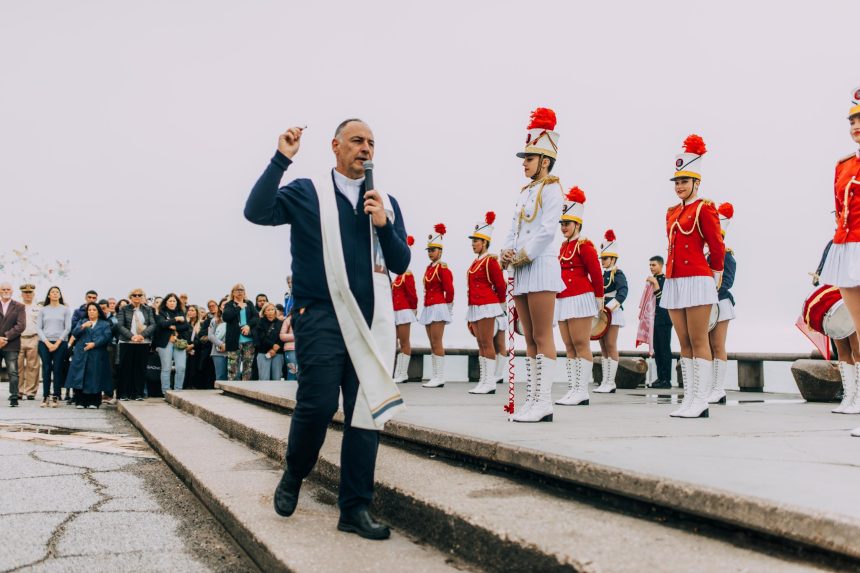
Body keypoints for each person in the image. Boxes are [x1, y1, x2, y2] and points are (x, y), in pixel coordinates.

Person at [244, 119, 410, 539]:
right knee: (317, 405)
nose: (365, 148)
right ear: (335, 146)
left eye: (371, 142)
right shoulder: (307, 192)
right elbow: (256, 211)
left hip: (370, 324)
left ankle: (354, 509)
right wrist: (281, 159)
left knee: (364, 414)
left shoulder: (385, 202)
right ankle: (294, 473)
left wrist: (383, 224)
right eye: (357, 140)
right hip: (320, 316)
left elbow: (401, 262)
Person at [501, 108, 565, 423]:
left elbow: (548, 230)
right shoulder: (525, 192)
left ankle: (544, 402)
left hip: (540, 266)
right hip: (522, 269)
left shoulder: (553, 189)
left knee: (542, 335)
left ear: (545, 161)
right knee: (528, 338)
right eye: (524, 158)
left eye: (529, 158)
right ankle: (533, 399)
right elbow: (514, 228)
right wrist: (505, 252)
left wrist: (523, 254)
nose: (524, 163)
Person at [661, 134, 725, 419]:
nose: (679, 186)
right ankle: (688, 398)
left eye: (684, 181)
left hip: (698, 279)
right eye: (676, 182)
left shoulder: (704, 207)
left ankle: (701, 400)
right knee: (684, 342)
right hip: (675, 279)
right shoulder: (672, 212)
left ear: (696, 182)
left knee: (699, 340)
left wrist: (716, 273)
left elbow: (716, 245)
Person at [817, 89, 860, 435]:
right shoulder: (843, 165)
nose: (855, 126)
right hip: (848, 248)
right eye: (852, 121)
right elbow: (839, 213)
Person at [554, 188, 604, 407]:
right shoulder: (563, 246)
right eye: (562, 224)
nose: (563, 227)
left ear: (577, 224)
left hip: (581, 297)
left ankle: (582, 391)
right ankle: (573, 388)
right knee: (568, 345)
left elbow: (596, 272)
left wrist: (599, 297)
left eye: (567, 223)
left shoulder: (585, 246)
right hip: (564, 298)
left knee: (580, 343)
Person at [465, 212, 507, 395]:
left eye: (476, 241)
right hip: (475, 306)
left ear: (484, 242)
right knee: (481, 343)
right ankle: (483, 381)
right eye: (473, 241)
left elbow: (500, 285)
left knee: (487, 343)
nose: (473, 244)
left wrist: (501, 306)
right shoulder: (475, 262)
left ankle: (490, 382)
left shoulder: (490, 261)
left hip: (488, 306)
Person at [707, 203, 737, 404]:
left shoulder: (727, 256)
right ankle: (710, 387)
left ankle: (719, 389)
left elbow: (727, 282)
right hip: (706, 305)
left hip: (721, 303)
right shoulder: (704, 255)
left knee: (717, 345)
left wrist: (710, 292)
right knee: (707, 347)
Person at [419, 224, 454, 388]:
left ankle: (440, 377)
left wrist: (448, 308)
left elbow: (450, 290)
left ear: (440, 251)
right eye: (428, 250)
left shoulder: (443, 268)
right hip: (428, 307)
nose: (430, 253)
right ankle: (435, 376)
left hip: (439, 307)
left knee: (437, 341)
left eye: (433, 250)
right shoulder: (429, 268)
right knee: (432, 343)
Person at [594, 230, 628, 394]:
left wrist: (611, 307)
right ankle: (605, 381)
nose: (603, 261)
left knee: (610, 344)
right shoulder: (602, 274)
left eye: (606, 258)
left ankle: (611, 382)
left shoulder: (617, 273)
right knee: (603, 346)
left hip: (612, 312)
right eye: (602, 258)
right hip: (601, 312)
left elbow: (623, 291)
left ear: (613, 259)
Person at [67, 302, 113, 409]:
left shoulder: (104, 324)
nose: (91, 312)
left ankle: (94, 401)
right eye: (89, 310)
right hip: (82, 353)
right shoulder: (82, 321)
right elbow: (74, 333)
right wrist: (83, 326)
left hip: (97, 353)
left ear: (98, 312)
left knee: (95, 376)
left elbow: (106, 336)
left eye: (94, 310)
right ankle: (80, 401)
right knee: (80, 376)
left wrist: (95, 344)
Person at [115, 288, 156, 401]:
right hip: (127, 342)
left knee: (140, 369)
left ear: (142, 297)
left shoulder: (148, 310)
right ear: (130, 297)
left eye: (139, 295)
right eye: (134, 295)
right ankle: (124, 394)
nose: (137, 297)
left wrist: (142, 335)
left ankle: (138, 394)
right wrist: (131, 336)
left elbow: (152, 324)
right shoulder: (123, 309)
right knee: (126, 368)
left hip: (143, 342)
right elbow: (120, 325)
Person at [36, 286, 71, 408]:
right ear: (49, 295)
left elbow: (68, 328)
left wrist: (57, 343)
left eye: (57, 292)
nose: (55, 294)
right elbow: (38, 328)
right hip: (44, 342)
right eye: (53, 292)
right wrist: (47, 342)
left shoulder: (65, 310)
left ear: (60, 295)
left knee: (57, 368)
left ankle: (56, 395)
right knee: (46, 368)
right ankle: (45, 396)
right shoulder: (43, 310)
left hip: (60, 343)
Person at [391, 236, 418, 384]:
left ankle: (403, 373)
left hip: (404, 312)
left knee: (404, 342)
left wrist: (413, 309)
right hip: (395, 312)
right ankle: (397, 372)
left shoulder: (408, 274)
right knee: (393, 342)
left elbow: (412, 294)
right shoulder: (396, 276)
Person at [646, 256, 673, 388]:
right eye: (650, 265)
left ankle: (666, 380)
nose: (651, 267)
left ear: (661, 266)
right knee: (657, 348)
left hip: (664, 318)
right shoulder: (653, 279)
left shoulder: (666, 280)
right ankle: (660, 377)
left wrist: (655, 284)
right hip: (654, 318)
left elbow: (662, 299)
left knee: (664, 349)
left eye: (654, 265)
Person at [154, 293, 189, 394]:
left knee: (181, 367)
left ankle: (178, 391)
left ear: (177, 302)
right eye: (170, 301)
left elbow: (186, 326)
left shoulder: (180, 312)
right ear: (166, 302)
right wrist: (176, 319)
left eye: (174, 301)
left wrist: (174, 326)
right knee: (166, 368)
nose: (172, 303)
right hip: (165, 342)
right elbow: (162, 324)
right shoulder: (161, 312)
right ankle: (166, 392)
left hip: (179, 342)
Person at [222, 284, 258, 381]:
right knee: (233, 368)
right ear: (233, 292)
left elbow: (256, 317)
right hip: (234, 341)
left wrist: (248, 326)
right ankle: (232, 387)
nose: (240, 292)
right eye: (237, 290)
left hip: (249, 340)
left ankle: (245, 387)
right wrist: (238, 307)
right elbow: (226, 317)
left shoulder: (249, 303)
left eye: (241, 290)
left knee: (248, 367)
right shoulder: (229, 304)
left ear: (244, 292)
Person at [0, 282, 26, 407]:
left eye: (8, 289)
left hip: (11, 344)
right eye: (3, 289)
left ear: (12, 291)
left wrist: (5, 337)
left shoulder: (19, 306)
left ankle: (14, 396)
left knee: (13, 371)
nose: (6, 291)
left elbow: (21, 325)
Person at [17, 284, 41, 400]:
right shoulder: (16, 307)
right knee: (18, 366)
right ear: (21, 294)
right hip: (19, 338)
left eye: (30, 292)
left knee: (33, 366)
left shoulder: (38, 308)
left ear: (33, 294)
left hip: (33, 338)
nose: (27, 294)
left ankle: (30, 392)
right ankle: (18, 391)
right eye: (25, 292)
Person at [255, 303, 284, 380]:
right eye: (268, 310)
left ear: (275, 311)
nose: (271, 311)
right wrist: (272, 345)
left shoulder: (281, 323)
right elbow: (261, 337)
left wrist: (275, 348)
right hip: (263, 352)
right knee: (264, 378)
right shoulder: (260, 322)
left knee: (277, 378)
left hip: (278, 352)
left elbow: (282, 336)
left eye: (272, 309)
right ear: (264, 312)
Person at [209, 299, 229, 381]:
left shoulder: (236, 320)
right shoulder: (214, 320)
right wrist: (221, 344)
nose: (226, 306)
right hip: (218, 352)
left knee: (234, 376)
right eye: (224, 305)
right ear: (220, 307)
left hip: (232, 351)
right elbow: (210, 335)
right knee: (220, 376)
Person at [184, 305, 203, 389]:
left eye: (192, 310)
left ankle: (194, 385)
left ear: (197, 312)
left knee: (195, 368)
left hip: (198, 349)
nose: (190, 312)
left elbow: (202, 338)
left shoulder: (201, 323)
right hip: (186, 348)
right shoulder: (185, 324)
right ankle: (187, 385)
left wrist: (193, 345)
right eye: (189, 310)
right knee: (187, 368)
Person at [279, 308, 297, 380]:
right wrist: (298, 336)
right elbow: (282, 336)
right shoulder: (288, 320)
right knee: (292, 371)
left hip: (306, 349)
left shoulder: (308, 319)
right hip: (291, 349)